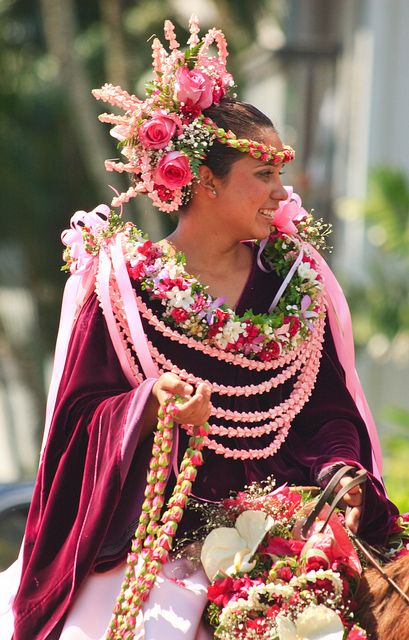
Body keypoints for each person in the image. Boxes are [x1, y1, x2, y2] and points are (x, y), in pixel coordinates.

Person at [0, 16, 399, 640]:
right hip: (156, 551)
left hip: (291, 542)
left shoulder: (294, 281)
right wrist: (146, 407)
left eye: (279, 175)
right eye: (263, 175)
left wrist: (339, 472)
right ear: (205, 180)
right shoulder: (122, 289)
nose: (280, 192)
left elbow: (328, 412)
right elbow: (76, 422)